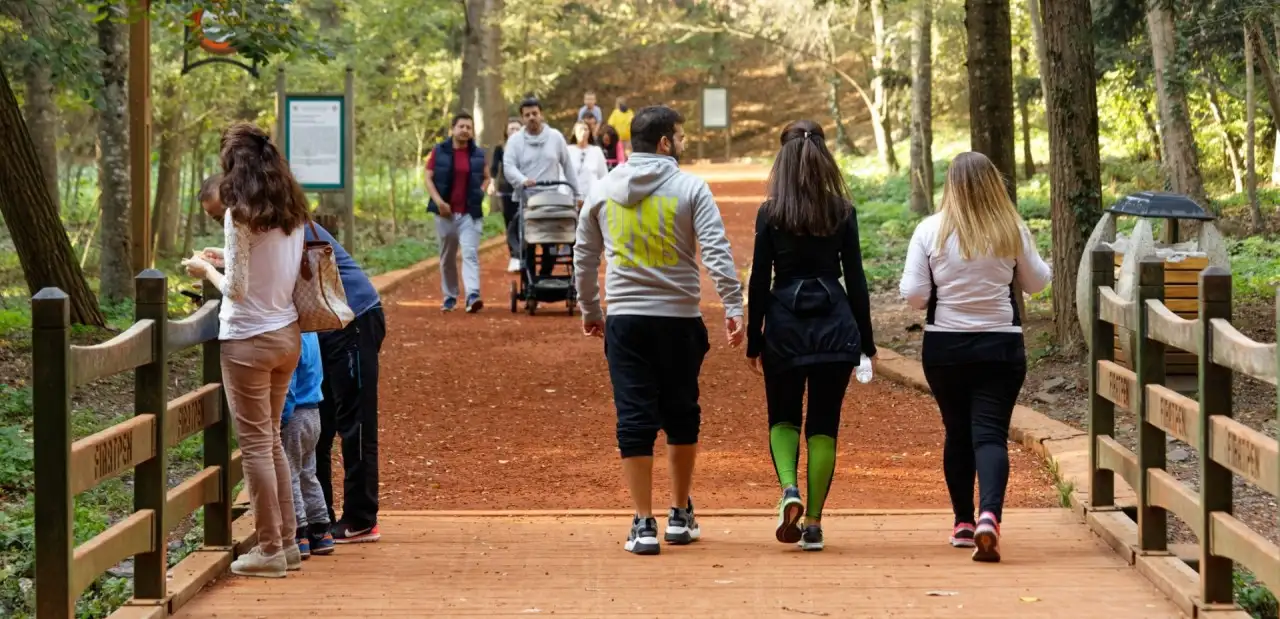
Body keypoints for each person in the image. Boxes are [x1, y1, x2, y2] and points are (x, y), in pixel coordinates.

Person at [574, 105, 745, 556]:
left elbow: (584, 256)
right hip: (679, 319)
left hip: (626, 319)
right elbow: (716, 249)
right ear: (666, 142)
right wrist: (733, 304)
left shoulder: (603, 189)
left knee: (634, 417)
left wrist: (591, 308)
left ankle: (642, 522)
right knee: (681, 412)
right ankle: (679, 512)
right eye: (681, 137)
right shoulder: (691, 188)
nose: (684, 143)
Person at [199, 178, 386, 547]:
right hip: (323, 323)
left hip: (352, 316)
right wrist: (227, 256)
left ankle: (361, 518)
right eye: (214, 218)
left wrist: (216, 270)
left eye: (221, 213)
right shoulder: (266, 217)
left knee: (355, 421)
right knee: (321, 417)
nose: (222, 220)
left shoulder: (280, 216)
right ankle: (319, 521)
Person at [898, 151, 1051, 563]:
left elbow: (914, 296)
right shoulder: (1011, 230)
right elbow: (1036, 283)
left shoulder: (929, 231)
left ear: (950, 186)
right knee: (989, 433)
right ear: (993, 185)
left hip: (946, 348)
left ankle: (963, 523)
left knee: (957, 430)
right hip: (1000, 346)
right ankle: (990, 516)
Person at [183, 122, 307, 578]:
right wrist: (225, 253)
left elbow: (234, 289)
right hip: (286, 336)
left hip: (248, 340)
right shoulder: (291, 210)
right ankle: (289, 542)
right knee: (271, 438)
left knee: (256, 445)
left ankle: (270, 549)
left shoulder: (240, 214)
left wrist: (203, 270)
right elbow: (269, 265)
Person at [745, 120, 876, 552]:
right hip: (835, 326)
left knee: (783, 418)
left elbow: (760, 279)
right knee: (824, 426)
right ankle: (815, 524)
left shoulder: (771, 213)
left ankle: (789, 490)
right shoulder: (842, 210)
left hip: (785, 325)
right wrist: (865, 342)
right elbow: (856, 279)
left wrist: (754, 338)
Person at [503, 96, 582, 276]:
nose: (532, 117)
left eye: (535, 113)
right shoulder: (515, 141)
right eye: (527, 115)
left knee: (553, 240)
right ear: (523, 118)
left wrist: (577, 194)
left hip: (552, 200)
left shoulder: (555, 137)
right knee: (528, 241)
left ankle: (545, 276)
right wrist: (522, 179)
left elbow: (568, 166)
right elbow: (509, 166)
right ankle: (530, 278)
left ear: (542, 115)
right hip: (528, 200)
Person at [424, 112, 491, 312]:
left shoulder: (478, 154)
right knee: (448, 257)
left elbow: (487, 177)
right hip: (445, 214)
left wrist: (481, 191)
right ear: (452, 129)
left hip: (470, 213)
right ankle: (450, 296)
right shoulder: (439, 151)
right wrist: (439, 202)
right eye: (461, 126)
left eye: (468, 127)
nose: (465, 130)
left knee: (469, 253)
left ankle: (473, 295)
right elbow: (428, 177)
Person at [280, 331, 336, 559]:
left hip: (295, 414)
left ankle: (298, 532)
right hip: (314, 412)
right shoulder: (311, 333)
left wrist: (282, 416)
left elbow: (289, 383)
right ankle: (321, 529)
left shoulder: (293, 336)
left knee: (290, 473)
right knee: (307, 473)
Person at [490, 117, 525, 273]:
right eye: (511, 129)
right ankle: (514, 256)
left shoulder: (527, 147)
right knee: (510, 223)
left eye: (518, 129)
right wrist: (491, 183)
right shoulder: (500, 148)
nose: (514, 131)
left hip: (524, 190)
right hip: (505, 190)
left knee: (524, 223)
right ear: (506, 131)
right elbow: (494, 168)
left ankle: (524, 256)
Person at [567, 121, 609, 201]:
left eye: (585, 129)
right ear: (574, 132)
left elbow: (603, 176)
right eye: (580, 129)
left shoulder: (596, 151)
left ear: (589, 132)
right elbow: (562, 175)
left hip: (592, 199)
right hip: (571, 198)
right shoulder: (568, 150)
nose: (583, 132)